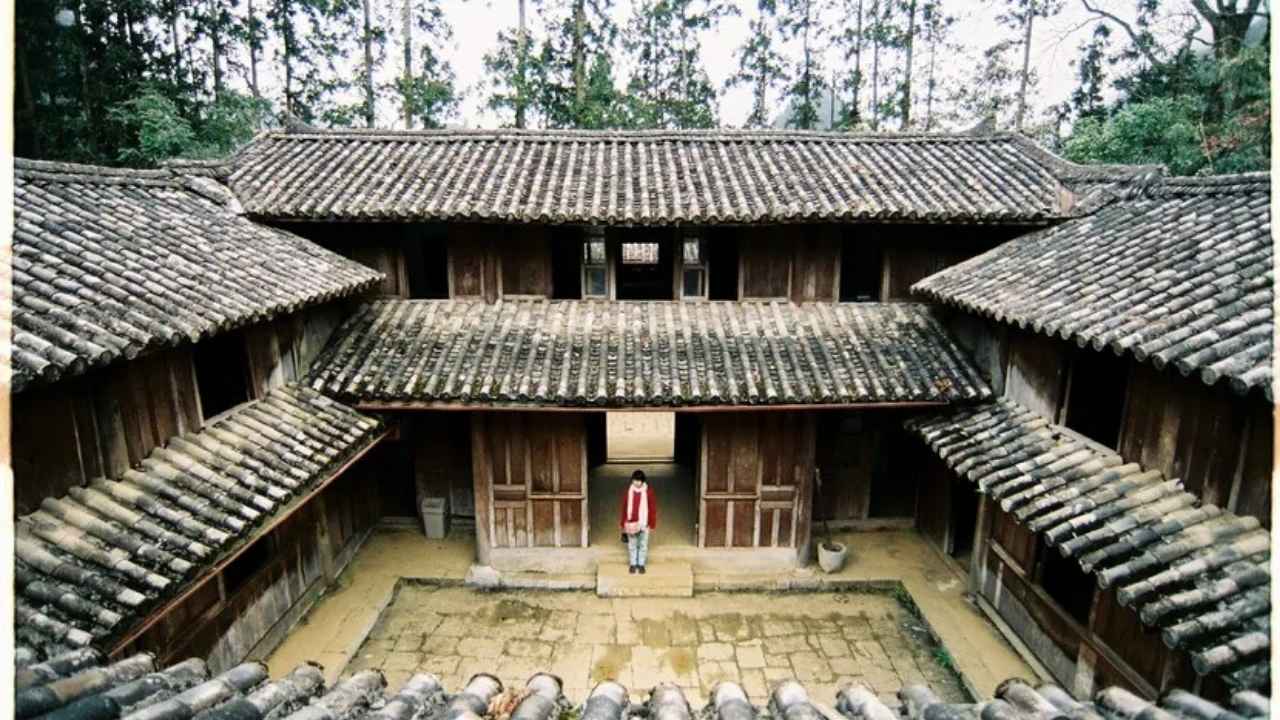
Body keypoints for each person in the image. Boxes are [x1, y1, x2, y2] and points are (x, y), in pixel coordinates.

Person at [619, 469, 657, 574]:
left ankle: (641, 564)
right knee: (632, 545)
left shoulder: (648, 492)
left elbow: (652, 508)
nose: (636, 482)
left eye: (639, 480)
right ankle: (633, 564)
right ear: (632, 480)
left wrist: (652, 523)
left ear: (643, 481)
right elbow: (624, 507)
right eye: (635, 480)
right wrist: (622, 522)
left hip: (644, 523)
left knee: (643, 545)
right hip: (631, 523)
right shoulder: (628, 492)